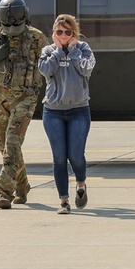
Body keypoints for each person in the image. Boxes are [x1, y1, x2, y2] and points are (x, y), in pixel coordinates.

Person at [0, 0, 48, 209]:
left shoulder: (36, 38)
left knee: (12, 144)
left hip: (25, 99)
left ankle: (4, 193)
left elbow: (49, 66)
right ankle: (22, 187)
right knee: (5, 147)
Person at [38, 14, 96, 214]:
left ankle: (81, 184)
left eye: (67, 32)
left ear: (74, 34)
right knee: (59, 158)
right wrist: (57, 52)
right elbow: (46, 70)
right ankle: (64, 201)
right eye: (59, 31)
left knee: (76, 156)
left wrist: (72, 51)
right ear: (54, 33)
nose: (63, 35)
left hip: (79, 111)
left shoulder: (83, 49)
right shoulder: (47, 51)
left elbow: (87, 70)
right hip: (53, 112)